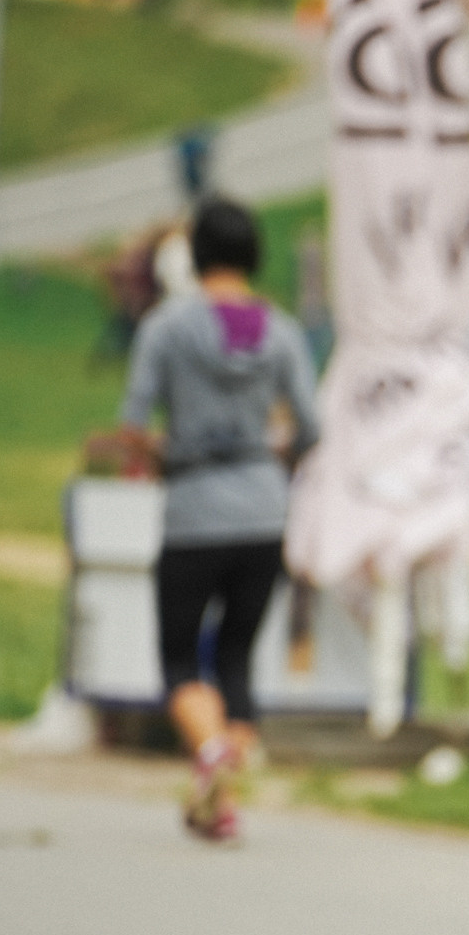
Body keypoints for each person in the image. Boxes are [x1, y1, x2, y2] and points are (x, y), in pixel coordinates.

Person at [119, 198, 319, 842]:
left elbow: (133, 422)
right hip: (264, 513)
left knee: (179, 661)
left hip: (193, 511)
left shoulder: (167, 327)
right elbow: (313, 427)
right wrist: (275, 450)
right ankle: (218, 801)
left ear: (196, 253)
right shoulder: (282, 331)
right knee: (235, 659)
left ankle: (209, 754)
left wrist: (156, 453)